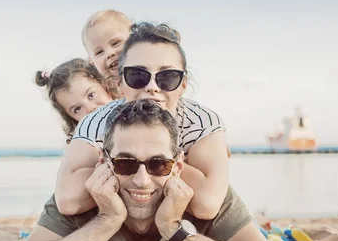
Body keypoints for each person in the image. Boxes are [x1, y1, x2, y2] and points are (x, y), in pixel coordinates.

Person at [3, 99, 281, 241]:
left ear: (178, 165)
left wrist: (175, 230)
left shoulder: (206, 196)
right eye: (125, 163)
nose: (141, 180)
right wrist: (106, 221)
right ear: (104, 161)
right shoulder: (88, 193)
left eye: (158, 164)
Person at [56, 22, 229, 220]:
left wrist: (125, 164)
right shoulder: (97, 121)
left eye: (168, 76)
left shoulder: (201, 121)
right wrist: (157, 166)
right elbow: (68, 200)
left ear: (182, 85)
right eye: (138, 76)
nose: (152, 87)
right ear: (120, 83)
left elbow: (206, 205)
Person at [36, 58, 119, 143]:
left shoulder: (131, 107)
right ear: (71, 119)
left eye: (91, 95)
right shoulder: (88, 145)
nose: (91, 109)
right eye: (77, 109)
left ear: (104, 85)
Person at [81, 9, 132, 79]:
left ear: (134, 38)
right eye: (99, 52)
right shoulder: (101, 89)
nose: (110, 53)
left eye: (115, 43)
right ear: (92, 63)